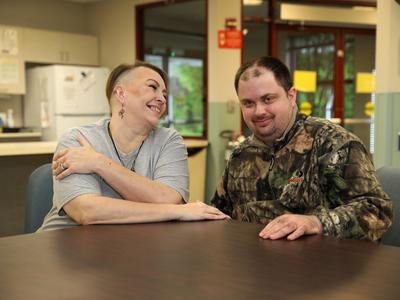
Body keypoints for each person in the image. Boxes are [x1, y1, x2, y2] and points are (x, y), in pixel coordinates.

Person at [211, 56, 393, 241]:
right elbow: (220, 213)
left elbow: (377, 210)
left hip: (323, 263)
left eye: (268, 99)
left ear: (291, 96)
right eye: (248, 103)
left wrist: (316, 223)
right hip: (254, 262)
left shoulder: (333, 144)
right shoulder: (241, 156)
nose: (259, 111)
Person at [39, 61, 229, 231]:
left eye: (164, 93)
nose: (162, 99)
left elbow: (168, 199)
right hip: (64, 247)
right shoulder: (77, 139)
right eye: (152, 87)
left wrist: (98, 163)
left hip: (129, 248)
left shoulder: (169, 140)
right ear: (121, 93)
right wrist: (178, 212)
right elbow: (87, 212)